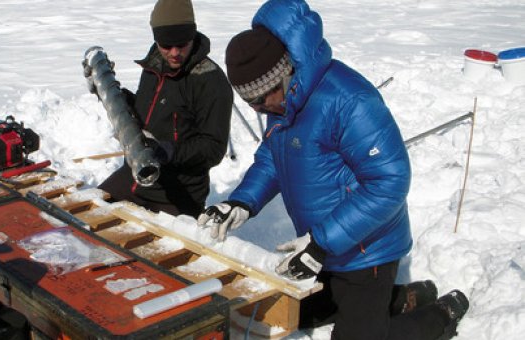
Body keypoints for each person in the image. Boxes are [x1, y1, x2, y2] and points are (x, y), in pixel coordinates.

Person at [196, 1, 469, 339]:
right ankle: (405, 298)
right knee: (298, 315)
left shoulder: (348, 100)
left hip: (368, 251)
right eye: (250, 103)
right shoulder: (284, 100)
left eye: (262, 99)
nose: (259, 108)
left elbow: (390, 180)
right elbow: (273, 156)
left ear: (284, 74)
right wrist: (242, 202)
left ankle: (441, 314)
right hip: (323, 245)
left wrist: (323, 241)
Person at [98, 0, 233, 218]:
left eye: (182, 44)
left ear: (193, 35)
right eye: (166, 45)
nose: (174, 53)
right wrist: (119, 100)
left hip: (177, 194)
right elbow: (149, 114)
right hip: (133, 178)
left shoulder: (210, 82)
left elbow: (214, 148)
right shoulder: (154, 65)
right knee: (86, 220)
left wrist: (168, 151)